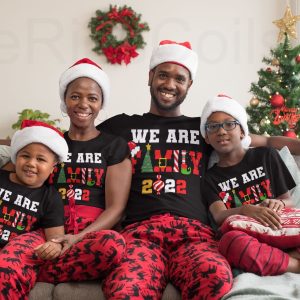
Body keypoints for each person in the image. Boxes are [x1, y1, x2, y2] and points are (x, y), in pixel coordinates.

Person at [97, 40, 233, 300]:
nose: (170, 84)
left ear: (189, 85)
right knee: (125, 290)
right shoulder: (120, 127)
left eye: (179, 78)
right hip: (140, 235)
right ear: (150, 77)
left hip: (195, 235)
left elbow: (251, 139)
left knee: (216, 278)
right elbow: (67, 143)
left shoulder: (204, 128)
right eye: (163, 75)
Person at [1, 58, 132, 299]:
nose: (83, 104)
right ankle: (28, 266)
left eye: (92, 97)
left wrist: (76, 238)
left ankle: (35, 269)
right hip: (45, 231)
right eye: (75, 96)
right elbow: (13, 175)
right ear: (65, 100)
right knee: (6, 264)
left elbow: (116, 208)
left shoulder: (114, 145)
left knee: (113, 245)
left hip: (90, 233)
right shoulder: (47, 144)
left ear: (101, 102)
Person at [200, 94, 300, 275]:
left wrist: (280, 204)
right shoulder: (210, 178)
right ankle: (294, 265)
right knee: (229, 243)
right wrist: (245, 210)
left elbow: (288, 201)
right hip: (249, 236)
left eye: (229, 124)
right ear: (206, 137)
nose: (221, 131)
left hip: (279, 227)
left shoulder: (266, 155)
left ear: (243, 131)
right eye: (213, 127)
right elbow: (219, 215)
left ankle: (278, 258)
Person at [0, 120, 68, 299]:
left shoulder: (50, 197)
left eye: (40, 159)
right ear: (15, 157)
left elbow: (56, 238)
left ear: (53, 168)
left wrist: (54, 245)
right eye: (25, 156)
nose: (31, 163)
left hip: (13, 255)